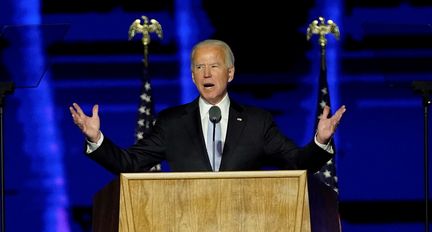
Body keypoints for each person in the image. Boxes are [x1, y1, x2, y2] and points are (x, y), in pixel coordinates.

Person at [69, 39, 346, 174]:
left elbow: (297, 163)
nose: (206, 74)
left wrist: (320, 141)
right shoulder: (171, 122)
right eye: (199, 67)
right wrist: (96, 138)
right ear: (192, 76)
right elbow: (129, 164)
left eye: (214, 66)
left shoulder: (257, 122)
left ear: (230, 73)